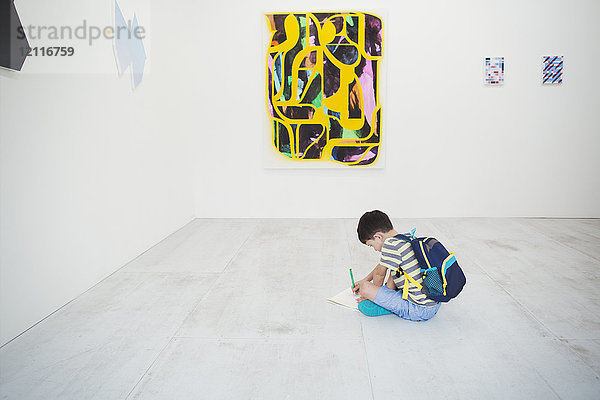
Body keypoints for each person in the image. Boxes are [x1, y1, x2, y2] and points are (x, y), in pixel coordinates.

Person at [353, 210, 441, 321]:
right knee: (393, 272)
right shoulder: (406, 238)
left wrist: (374, 297)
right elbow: (382, 265)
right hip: (433, 303)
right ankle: (388, 301)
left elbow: (379, 274)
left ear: (378, 237)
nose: (375, 249)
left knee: (365, 288)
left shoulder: (390, 245)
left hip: (418, 309)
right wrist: (365, 279)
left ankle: (383, 305)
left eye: (371, 245)